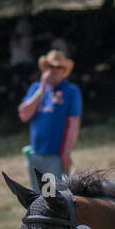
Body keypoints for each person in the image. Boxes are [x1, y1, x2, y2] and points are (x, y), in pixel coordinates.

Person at [18, 48, 82, 191]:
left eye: (58, 67)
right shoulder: (36, 88)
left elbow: (74, 124)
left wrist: (66, 152)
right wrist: (41, 90)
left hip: (56, 156)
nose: (54, 70)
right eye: (50, 66)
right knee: (39, 199)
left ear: (63, 70)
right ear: (45, 69)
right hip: (35, 154)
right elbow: (24, 115)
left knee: (55, 200)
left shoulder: (71, 90)